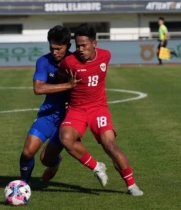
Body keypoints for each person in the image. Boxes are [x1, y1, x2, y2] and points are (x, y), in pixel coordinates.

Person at [58, 23, 143, 196]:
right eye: (77, 46)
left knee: (110, 145)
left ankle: (132, 185)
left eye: (84, 45)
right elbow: (62, 79)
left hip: (98, 108)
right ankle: (97, 166)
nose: (80, 49)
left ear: (94, 44)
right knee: (66, 139)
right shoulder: (68, 62)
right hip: (77, 109)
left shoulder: (105, 56)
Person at [19, 25, 80, 184]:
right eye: (52, 48)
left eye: (59, 48)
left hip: (68, 120)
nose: (55, 52)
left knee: (45, 160)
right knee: (27, 152)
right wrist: (68, 85)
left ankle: (55, 162)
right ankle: (24, 185)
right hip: (48, 114)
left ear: (68, 46)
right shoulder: (43, 61)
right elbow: (38, 88)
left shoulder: (76, 63)